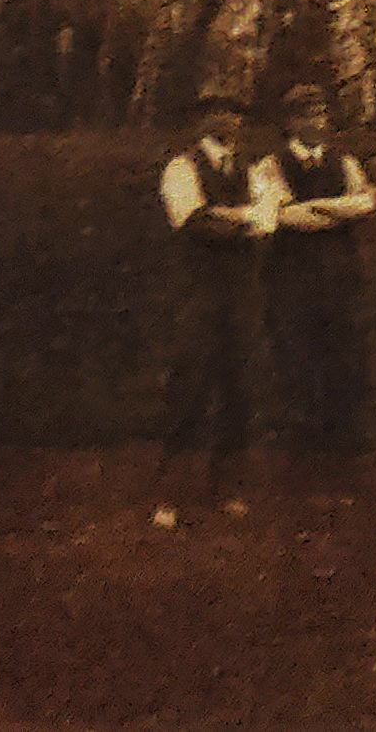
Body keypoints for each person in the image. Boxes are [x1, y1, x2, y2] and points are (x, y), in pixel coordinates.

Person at [154, 94, 285, 527]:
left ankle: (224, 487)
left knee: (238, 387)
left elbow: (266, 225)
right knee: (189, 387)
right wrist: (246, 219)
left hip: (241, 292)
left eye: (235, 113)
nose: (228, 121)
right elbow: (194, 221)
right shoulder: (182, 167)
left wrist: (239, 218)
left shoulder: (250, 169)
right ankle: (168, 495)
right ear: (201, 120)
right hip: (198, 292)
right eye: (218, 113)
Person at [258, 85, 374, 470]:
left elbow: (364, 202)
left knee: (342, 359)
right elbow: (285, 215)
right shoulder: (269, 165)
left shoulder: (346, 162)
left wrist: (320, 207)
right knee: (296, 360)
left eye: (321, 113)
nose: (316, 122)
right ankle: (298, 455)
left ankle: (340, 453)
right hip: (292, 277)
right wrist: (335, 212)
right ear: (290, 122)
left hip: (340, 275)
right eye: (306, 114)